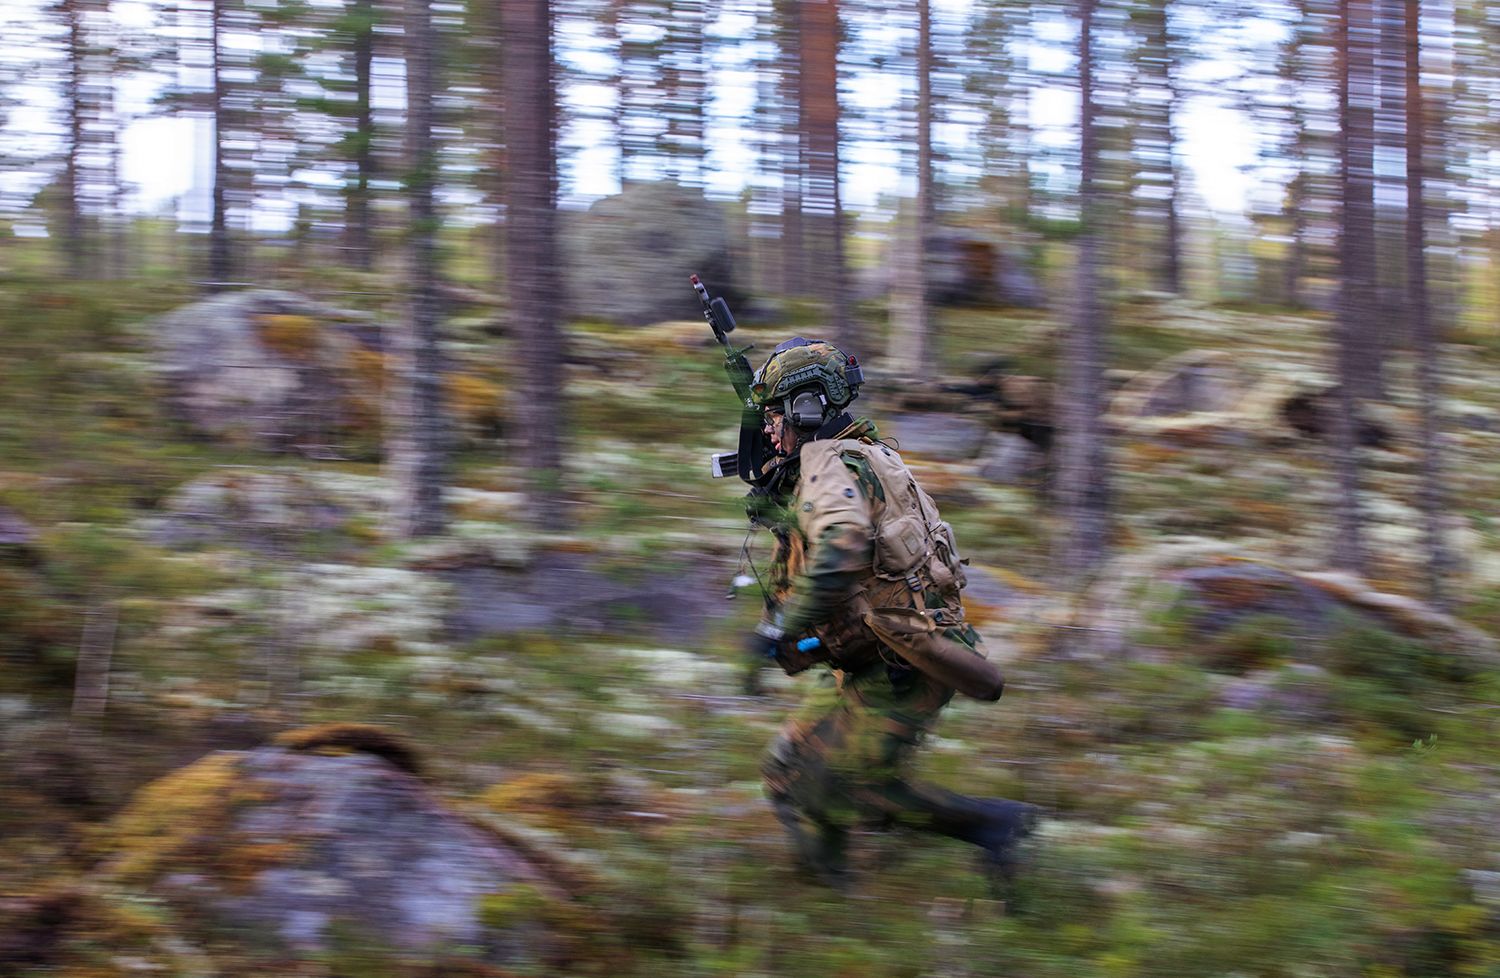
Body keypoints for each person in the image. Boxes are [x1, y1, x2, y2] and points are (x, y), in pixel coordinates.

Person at [740, 336, 1038, 892]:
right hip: (868, 655)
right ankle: (830, 899)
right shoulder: (865, 458)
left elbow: (842, 545)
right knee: (787, 775)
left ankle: (993, 826)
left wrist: (778, 628)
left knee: (841, 788)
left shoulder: (828, 463)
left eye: (775, 417)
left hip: (903, 663)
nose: (770, 432)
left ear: (807, 409)